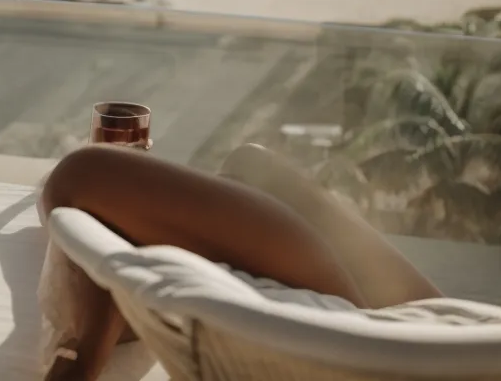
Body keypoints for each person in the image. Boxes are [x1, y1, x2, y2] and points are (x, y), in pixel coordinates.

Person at [38, 143, 445, 381]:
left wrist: (86, 352)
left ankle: (88, 358)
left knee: (77, 179)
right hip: (370, 331)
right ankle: (88, 354)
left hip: (348, 332)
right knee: (252, 163)